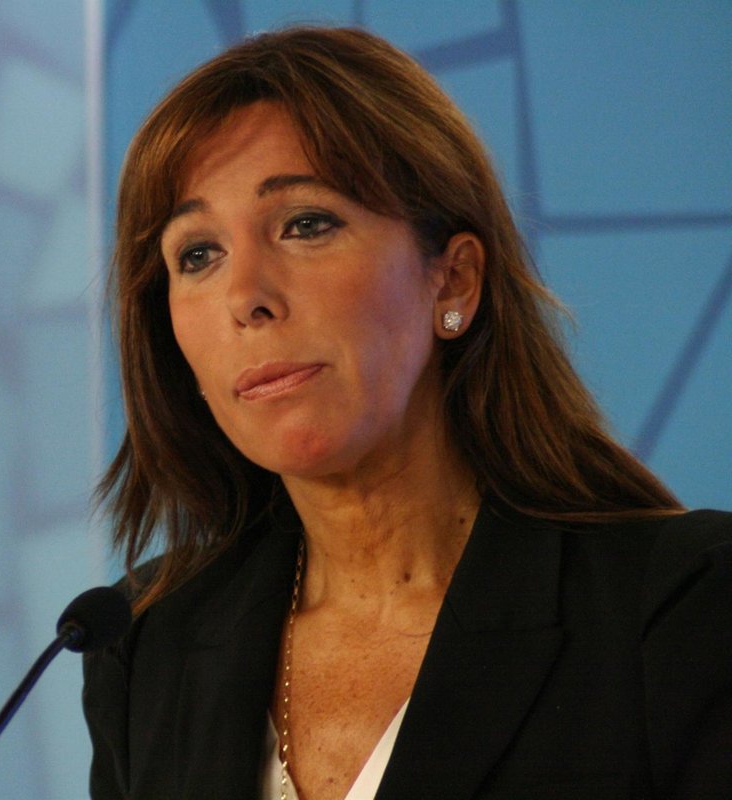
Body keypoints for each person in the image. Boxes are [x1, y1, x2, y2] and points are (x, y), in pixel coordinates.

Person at [81, 26, 732, 800]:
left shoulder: (682, 606)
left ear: (453, 281)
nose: (244, 296)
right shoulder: (145, 643)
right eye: (198, 254)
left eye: (305, 224)